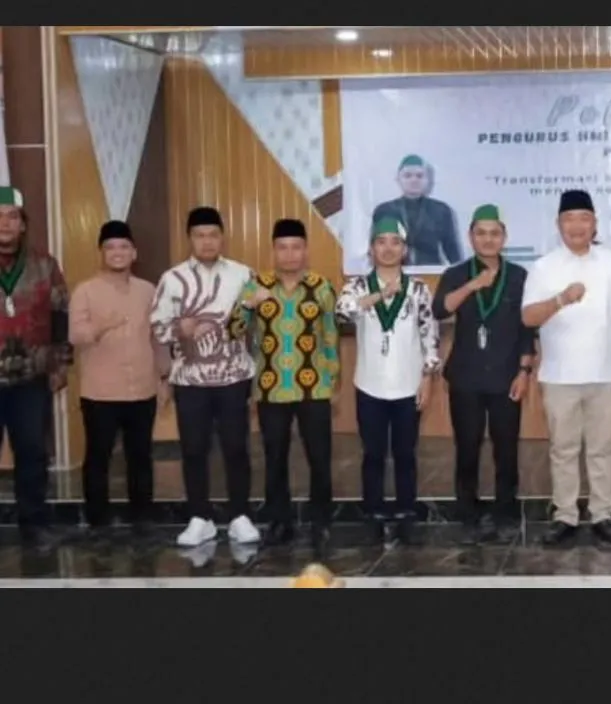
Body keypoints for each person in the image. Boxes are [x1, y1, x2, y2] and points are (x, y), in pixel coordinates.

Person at [521, 189, 611, 547]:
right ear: (558, 224)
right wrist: (560, 299)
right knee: (563, 450)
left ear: (594, 223)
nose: (577, 226)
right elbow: (528, 317)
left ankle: (602, 513)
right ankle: (565, 515)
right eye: (569, 219)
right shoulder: (544, 267)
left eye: (584, 218)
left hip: (605, 374)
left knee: (602, 449)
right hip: (559, 377)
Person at [151, 206, 261, 548]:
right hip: (190, 380)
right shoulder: (172, 278)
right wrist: (179, 329)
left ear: (222, 237)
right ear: (190, 238)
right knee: (194, 448)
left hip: (234, 377)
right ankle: (199, 517)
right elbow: (157, 327)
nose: (207, 241)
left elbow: (259, 327)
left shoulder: (243, 274)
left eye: (213, 234)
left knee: (236, 447)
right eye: (199, 235)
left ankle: (240, 515)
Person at [228, 219, 339, 550]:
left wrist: (333, 381)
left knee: (319, 456)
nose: (289, 254)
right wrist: (248, 304)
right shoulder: (256, 286)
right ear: (274, 251)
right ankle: (280, 520)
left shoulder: (321, 287)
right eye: (282, 247)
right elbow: (233, 330)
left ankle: (321, 520)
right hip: (271, 386)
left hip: (314, 386)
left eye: (296, 247)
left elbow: (330, 336)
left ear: (305, 250)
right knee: (275, 456)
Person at [432, 204, 535, 543]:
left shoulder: (519, 276)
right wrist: (473, 285)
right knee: (467, 446)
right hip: (466, 376)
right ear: (470, 237)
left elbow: (526, 329)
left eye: (494, 233)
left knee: (506, 448)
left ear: (504, 237)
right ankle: (468, 510)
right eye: (481, 233)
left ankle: (506, 510)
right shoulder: (457, 273)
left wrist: (524, 371)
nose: (488, 239)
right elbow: (439, 309)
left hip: (507, 375)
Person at [336, 217, 440, 544]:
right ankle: (373, 510)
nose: (388, 248)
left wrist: (428, 378)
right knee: (373, 453)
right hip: (370, 385)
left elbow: (430, 336)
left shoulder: (419, 288)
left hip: (409, 385)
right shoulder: (357, 286)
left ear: (404, 249)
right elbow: (342, 311)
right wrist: (380, 295)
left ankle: (407, 510)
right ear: (371, 249)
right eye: (381, 242)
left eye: (395, 242)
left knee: (406, 453)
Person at [69, 220, 171, 539]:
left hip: (142, 387)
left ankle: (143, 515)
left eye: (124, 247)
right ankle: (98, 519)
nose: (117, 253)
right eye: (110, 247)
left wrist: (164, 377)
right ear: (101, 253)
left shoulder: (148, 290)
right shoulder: (85, 291)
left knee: (140, 455)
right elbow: (76, 336)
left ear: (134, 253)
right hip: (100, 392)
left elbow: (158, 338)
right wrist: (102, 326)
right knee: (98, 456)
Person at [0, 187, 70, 548]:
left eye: (12, 216)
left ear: (23, 224)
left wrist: (60, 365)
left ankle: (35, 525)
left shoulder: (44, 264)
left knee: (32, 453)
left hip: (32, 377)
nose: (4, 223)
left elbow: (61, 315)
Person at [371, 154, 463, 267]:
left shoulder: (441, 210)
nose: (414, 180)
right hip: (394, 271)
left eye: (419, 176)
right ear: (398, 179)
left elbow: (452, 250)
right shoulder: (384, 211)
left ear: (428, 180)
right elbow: (374, 249)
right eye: (407, 176)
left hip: (431, 271)